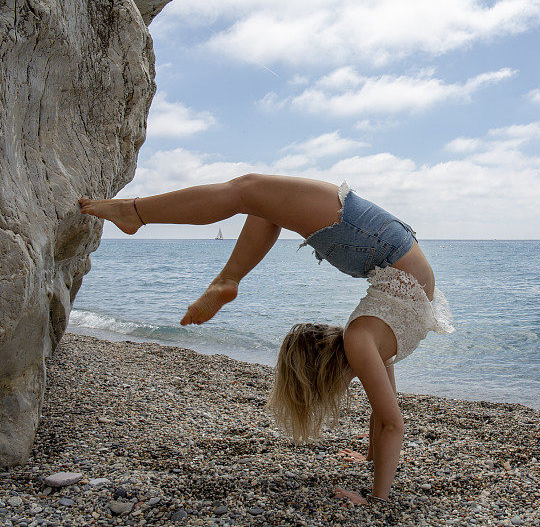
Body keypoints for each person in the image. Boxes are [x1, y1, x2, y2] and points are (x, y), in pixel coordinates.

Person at [78, 174, 454, 505]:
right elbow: (390, 420)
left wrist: (373, 478)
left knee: (254, 195)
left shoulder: (369, 341)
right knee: (253, 193)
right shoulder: (363, 340)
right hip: (380, 244)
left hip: (384, 251)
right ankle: (207, 264)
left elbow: (386, 415)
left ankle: (151, 224)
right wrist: (376, 487)